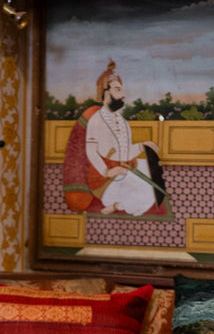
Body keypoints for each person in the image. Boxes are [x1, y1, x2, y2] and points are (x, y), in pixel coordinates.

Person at [61, 61, 167, 217]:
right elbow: (91, 152)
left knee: (156, 181)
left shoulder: (123, 122)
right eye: (118, 90)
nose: (122, 95)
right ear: (105, 93)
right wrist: (107, 172)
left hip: (123, 168)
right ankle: (117, 204)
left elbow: (125, 153)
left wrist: (143, 146)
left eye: (121, 90)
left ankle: (119, 203)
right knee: (144, 194)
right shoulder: (96, 120)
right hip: (104, 178)